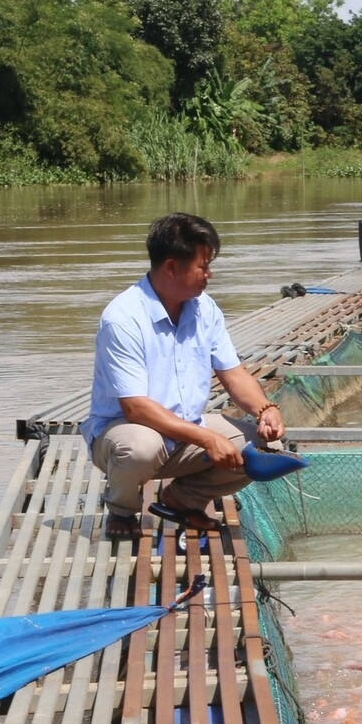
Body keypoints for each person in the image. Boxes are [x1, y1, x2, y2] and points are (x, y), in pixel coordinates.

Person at [83, 212, 286, 540]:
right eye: (203, 266)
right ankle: (121, 509)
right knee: (140, 448)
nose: (210, 274)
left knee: (265, 448)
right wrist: (206, 438)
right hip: (125, 434)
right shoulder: (123, 318)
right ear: (172, 267)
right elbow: (135, 408)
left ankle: (181, 499)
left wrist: (266, 410)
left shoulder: (205, 309)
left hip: (185, 433)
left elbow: (233, 373)